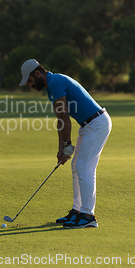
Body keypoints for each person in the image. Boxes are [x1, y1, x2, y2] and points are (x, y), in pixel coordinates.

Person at [19, 59, 112, 229]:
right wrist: (62, 149)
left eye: (30, 80)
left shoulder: (55, 82)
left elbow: (64, 118)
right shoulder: (51, 86)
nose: (30, 85)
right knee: (77, 166)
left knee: (84, 168)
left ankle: (88, 215)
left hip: (97, 124)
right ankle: (77, 211)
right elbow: (60, 121)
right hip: (89, 125)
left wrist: (68, 144)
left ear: (37, 73)